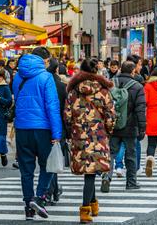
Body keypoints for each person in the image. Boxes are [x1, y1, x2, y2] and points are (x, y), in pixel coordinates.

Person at [12, 47, 62, 220]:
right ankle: (39, 198)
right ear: (44, 60)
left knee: (26, 170)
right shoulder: (46, 77)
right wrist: (57, 133)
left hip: (22, 128)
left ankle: (28, 208)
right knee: (47, 165)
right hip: (43, 129)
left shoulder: (18, 77)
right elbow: (52, 106)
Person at [64, 58, 115, 224]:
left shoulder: (73, 92)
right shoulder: (103, 91)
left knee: (89, 171)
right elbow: (110, 116)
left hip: (79, 135)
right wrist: (108, 130)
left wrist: (71, 131)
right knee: (91, 173)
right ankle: (85, 209)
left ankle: (93, 203)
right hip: (98, 136)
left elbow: (67, 115)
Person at [101, 61, 146, 192]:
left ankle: (106, 177)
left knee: (111, 153)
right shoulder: (137, 87)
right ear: (133, 71)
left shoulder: (109, 83)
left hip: (112, 125)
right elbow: (140, 109)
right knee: (130, 154)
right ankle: (131, 182)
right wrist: (142, 127)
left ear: (121, 69)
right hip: (130, 126)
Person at [45, 58, 67, 204]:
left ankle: (51, 190)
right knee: (55, 158)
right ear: (57, 70)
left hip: (43, 125)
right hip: (59, 126)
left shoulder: (42, 83)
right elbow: (66, 110)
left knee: (47, 161)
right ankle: (50, 191)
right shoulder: (62, 86)